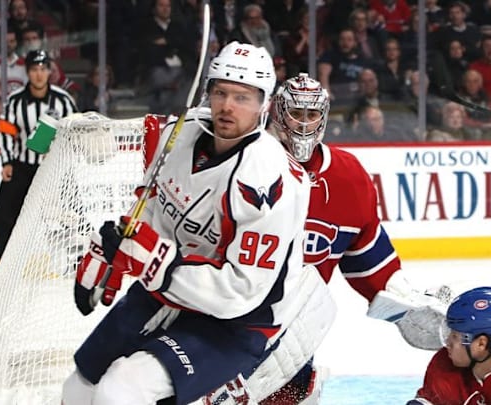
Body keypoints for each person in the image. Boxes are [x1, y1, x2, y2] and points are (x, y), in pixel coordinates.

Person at [61, 41, 319, 405]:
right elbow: (153, 204)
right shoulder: (177, 135)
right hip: (164, 290)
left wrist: (156, 263)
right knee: (78, 390)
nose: (227, 106)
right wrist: (118, 247)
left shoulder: (272, 181)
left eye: (242, 97)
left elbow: (240, 291)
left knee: (120, 390)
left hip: (237, 322)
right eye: (221, 92)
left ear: (264, 105)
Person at [205, 73, 449, 404]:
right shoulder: (245, 160)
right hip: (222, 314)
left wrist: (405, 305)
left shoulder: (347, 178)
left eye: (312, 115)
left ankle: (300, 390)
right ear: (278, 112)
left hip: (291, 328)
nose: (304, 124)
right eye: (296, 114)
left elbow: (367, 258)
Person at [0, 49, 77, 259]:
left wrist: (64, 159)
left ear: (49, 71)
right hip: (22, 166)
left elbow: (75, 132)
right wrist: (7, 162)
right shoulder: (15, 101)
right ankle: (5, 267)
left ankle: (74, 263)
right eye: (34, 70)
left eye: (42, 69)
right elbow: (5, 131)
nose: (39, 74)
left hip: (54, 170)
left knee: (72, 214)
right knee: (3, 214)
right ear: (27, 73)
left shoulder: (63, 101)